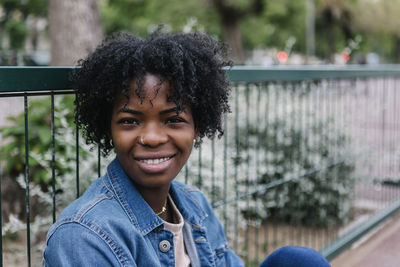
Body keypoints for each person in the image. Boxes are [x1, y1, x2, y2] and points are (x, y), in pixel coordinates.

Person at [43, 31, 331, 267]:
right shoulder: (83, 236)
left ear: (196, 127)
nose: (153, 137)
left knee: (297, 261)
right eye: (130, 121)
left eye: (174, 119)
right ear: (109, 129)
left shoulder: (195, 206)